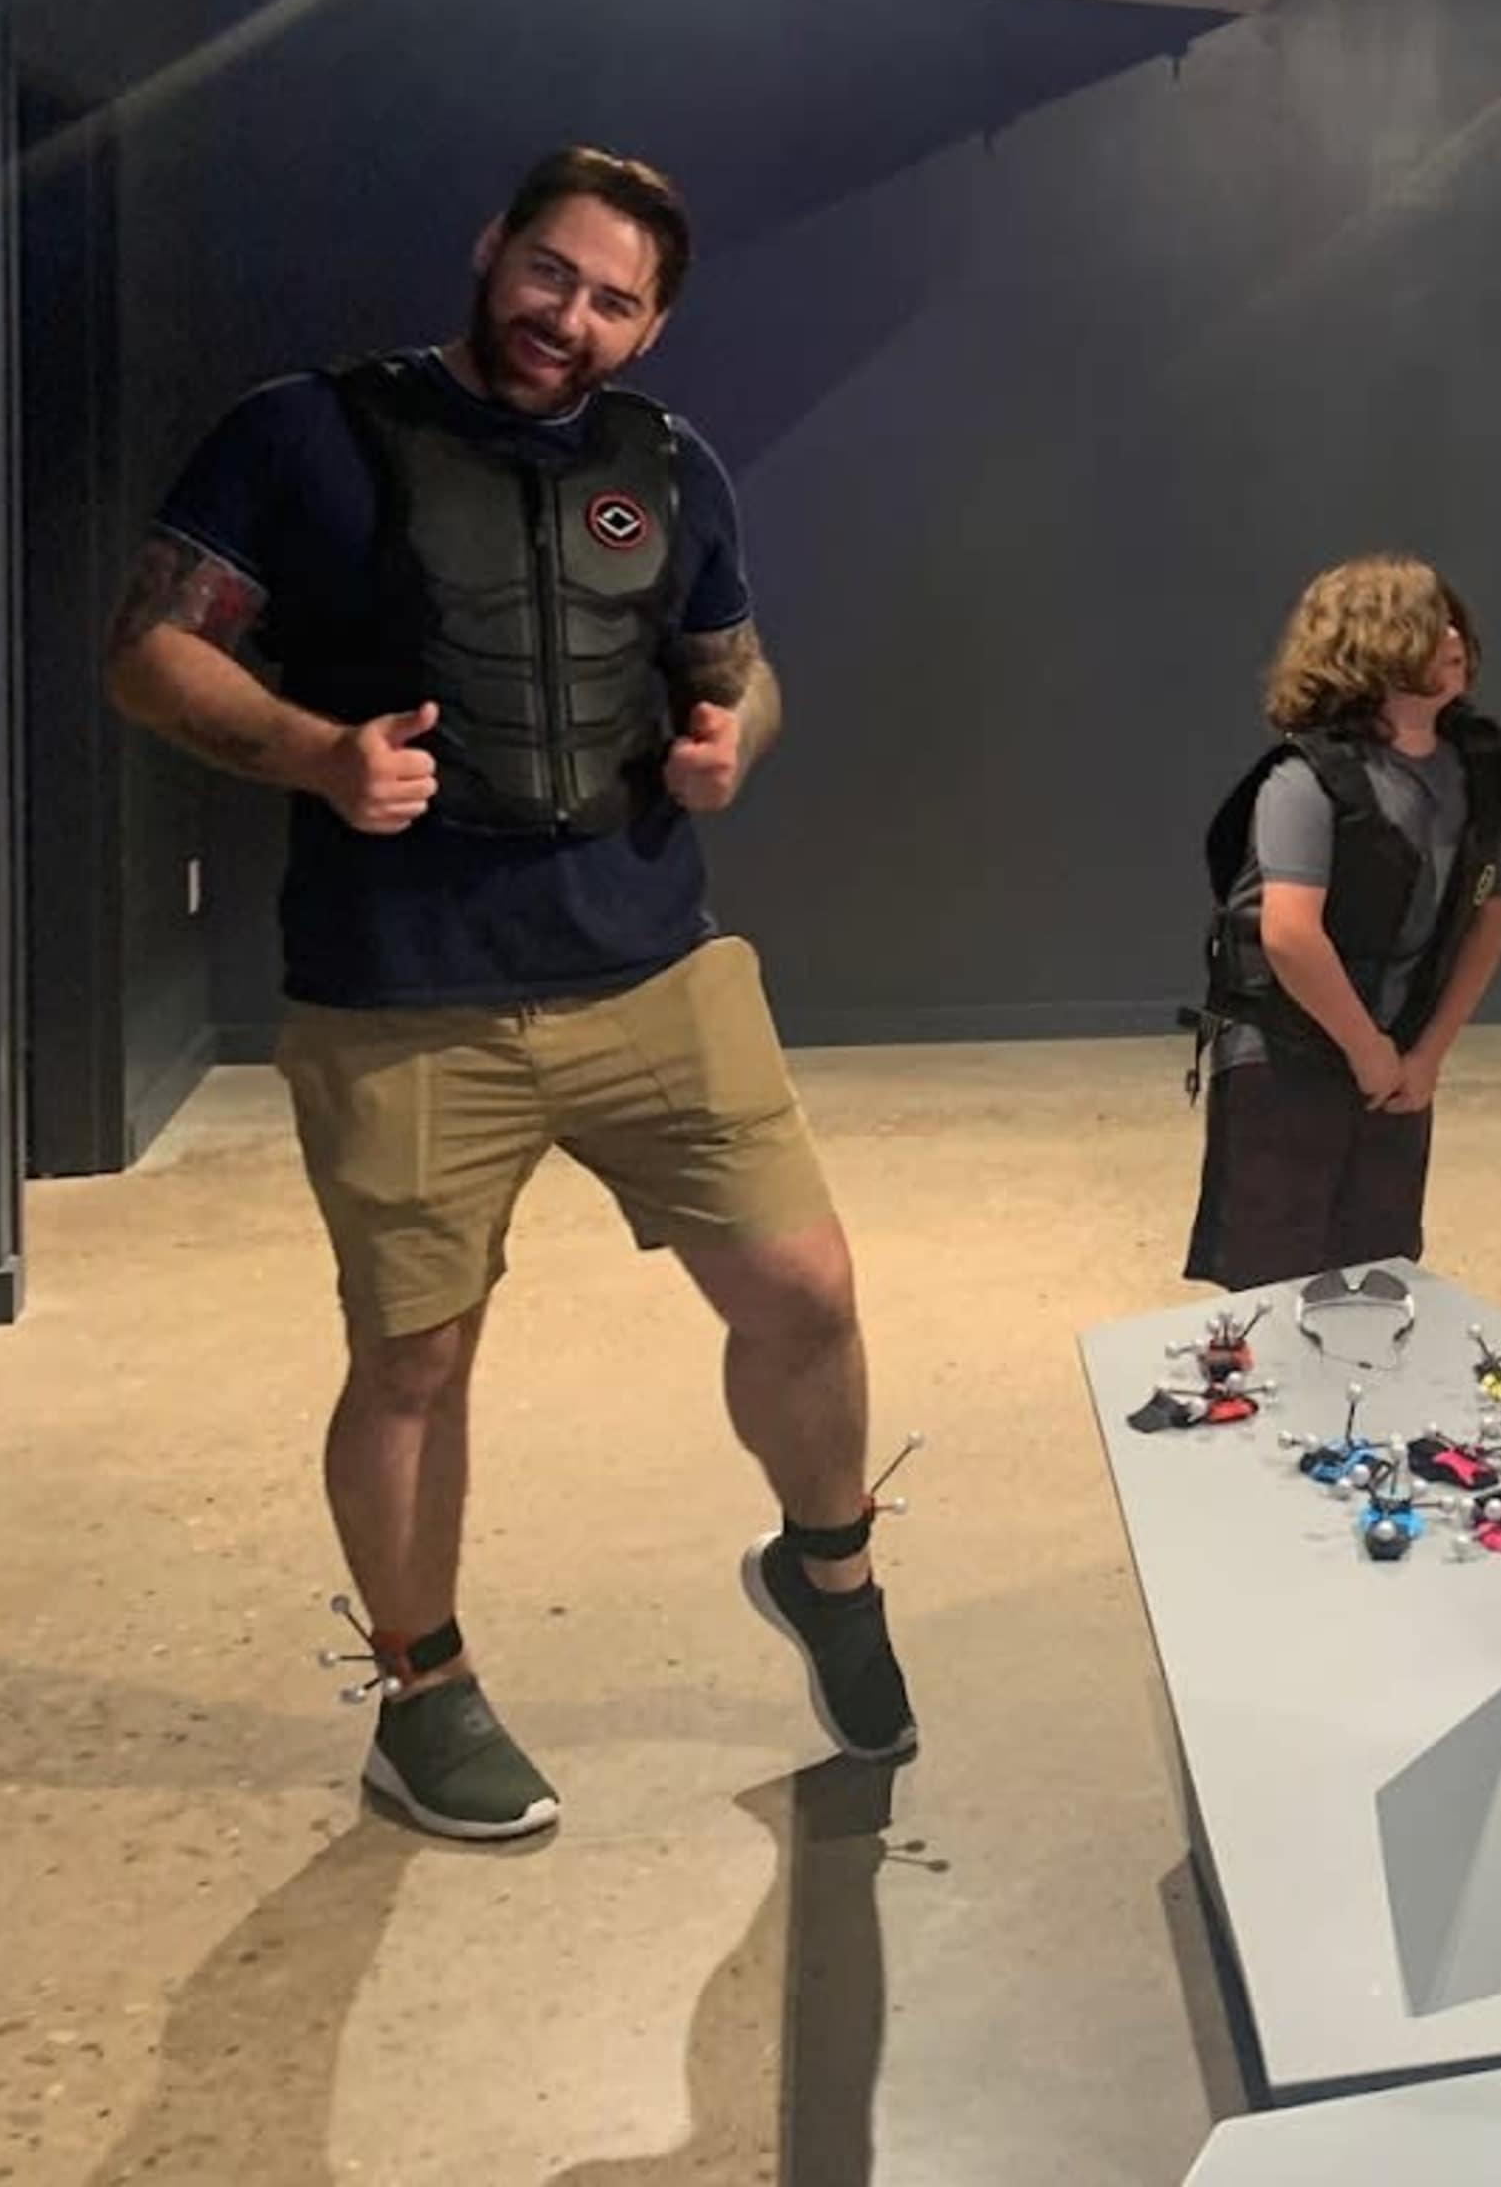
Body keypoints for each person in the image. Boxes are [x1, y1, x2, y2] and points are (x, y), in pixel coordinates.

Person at [105, 146, 916, 1844]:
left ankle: (825, 1564)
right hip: (404, 994)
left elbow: (738, 668)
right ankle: (422, 1693)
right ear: (492, 252)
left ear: (654, 319)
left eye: (614, 298)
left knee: (808, 1288)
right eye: (551, 273)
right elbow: (153, 650)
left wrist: (728, 748)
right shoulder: (304, 433)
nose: (572, 317)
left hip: (652, 963)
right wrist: (317, 753)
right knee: (415, 1360)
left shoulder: (668, 465)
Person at [1187, 557, 1501, 1289]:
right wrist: (1368, 1050)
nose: (1453, 635)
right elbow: (1291, 937)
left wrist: (1426, 1055)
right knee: (1277, 1276)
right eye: (1429, 624)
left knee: (1379, 1268)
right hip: (1288, 1056)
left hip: (1396, 1060)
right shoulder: (1304, 779)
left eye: (1453, 620)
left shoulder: (1476, 766)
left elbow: (1490, 916)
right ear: (1371, 644)